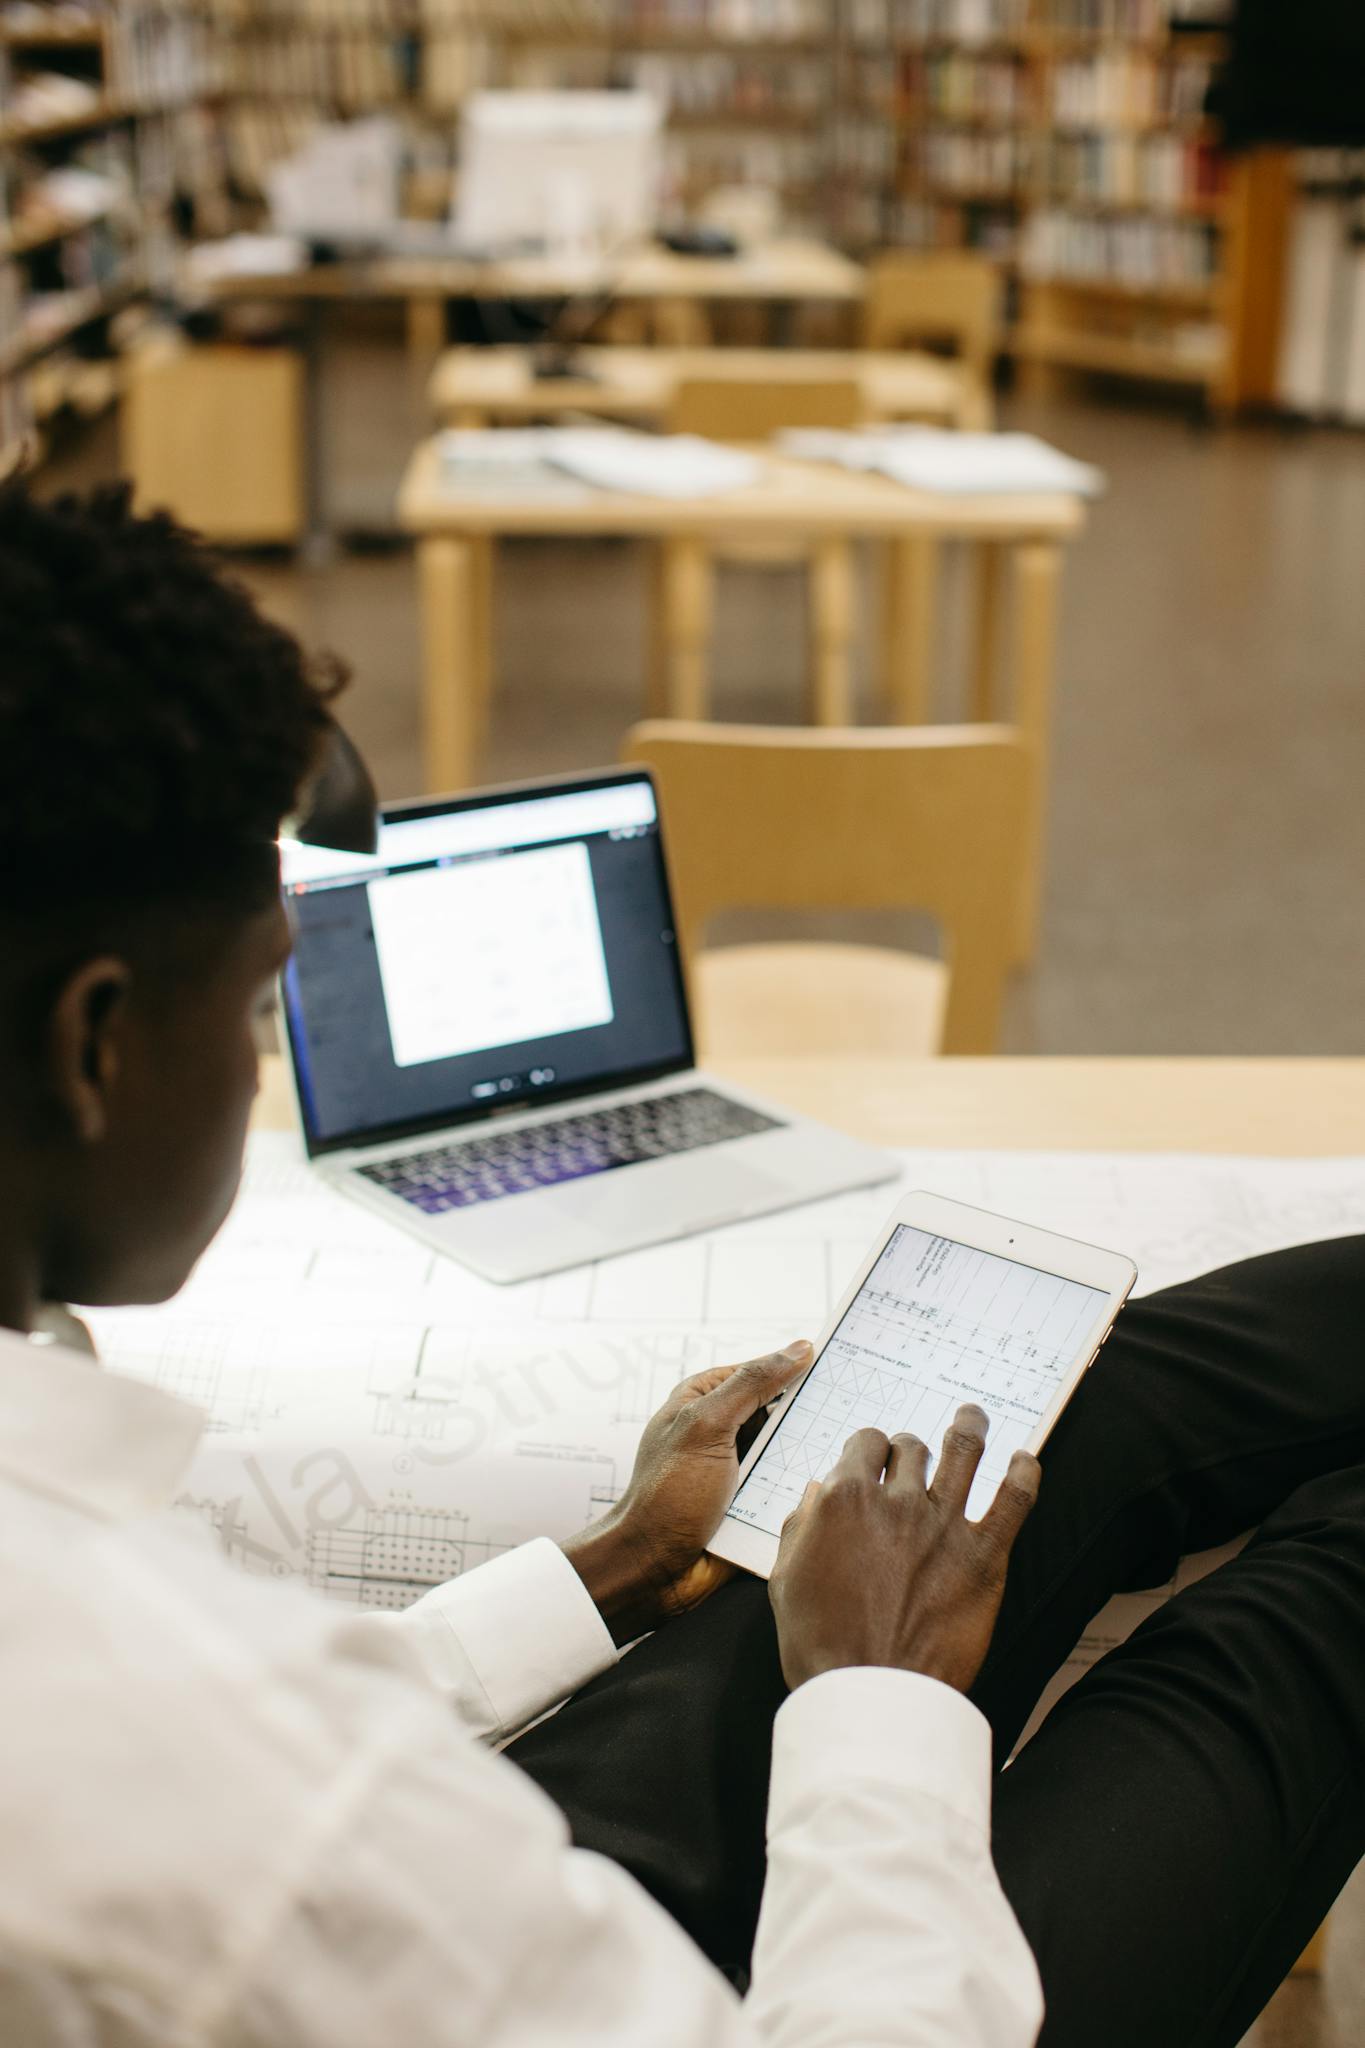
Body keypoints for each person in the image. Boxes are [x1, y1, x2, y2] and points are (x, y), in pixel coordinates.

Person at [0, 483, 1362, 2048]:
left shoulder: (170, 1696)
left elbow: (216, 1751)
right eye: (254, 1012)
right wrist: (876, 1688)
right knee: (1317, 1609)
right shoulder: (277, 1808)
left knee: (1051, 1415)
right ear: (92, 1047)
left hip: (464, 1900)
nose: (258, 1076)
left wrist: (609, 1565)